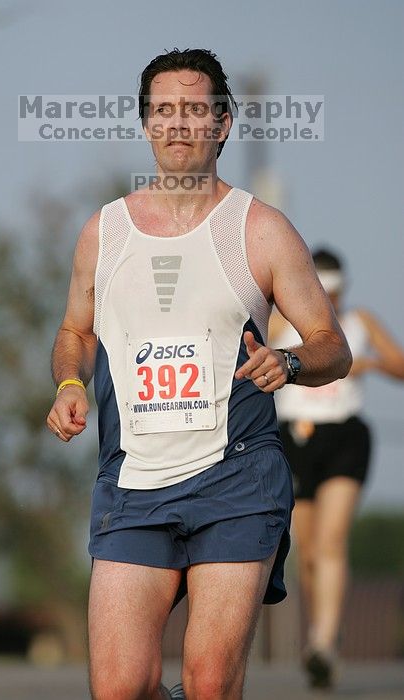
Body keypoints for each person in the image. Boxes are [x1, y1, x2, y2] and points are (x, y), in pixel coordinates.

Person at [46, 48, 352, 700]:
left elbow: (333, 345)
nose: (178, 124)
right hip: (133, 484)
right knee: (121, 688)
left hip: (236, 479)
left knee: (211, 681)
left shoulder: (261, 230)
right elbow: (76, 331)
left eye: (194, 109)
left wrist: (290, 361)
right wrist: (71, 383)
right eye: (163, 111)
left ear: (223, 123)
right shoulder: (107, 232)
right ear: (146, 123)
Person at [270, 248, 404, 689]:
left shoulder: (359, 323)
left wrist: (369, 362)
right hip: (296, 438)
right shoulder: (280, 323)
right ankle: (325, 630)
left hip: (346, 436)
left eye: (336, 293)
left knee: (331, 541)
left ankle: (324, 643)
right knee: (307, 551)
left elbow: (399, 364)